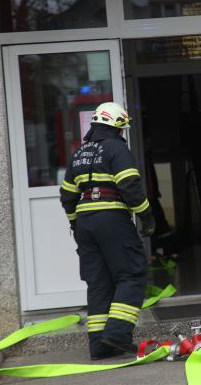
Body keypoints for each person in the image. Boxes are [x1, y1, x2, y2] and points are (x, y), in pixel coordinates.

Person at [60, 102, 156, 360]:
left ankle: (100, 346)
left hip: (85, 223)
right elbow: (130, 186)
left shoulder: (79, 153)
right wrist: (146, 217)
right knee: (132, 274)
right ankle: (118, 334)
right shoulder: (116, 148)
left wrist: (75, 224)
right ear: (117, 126)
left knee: (99, 282)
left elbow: (67, 195)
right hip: (112, 218)